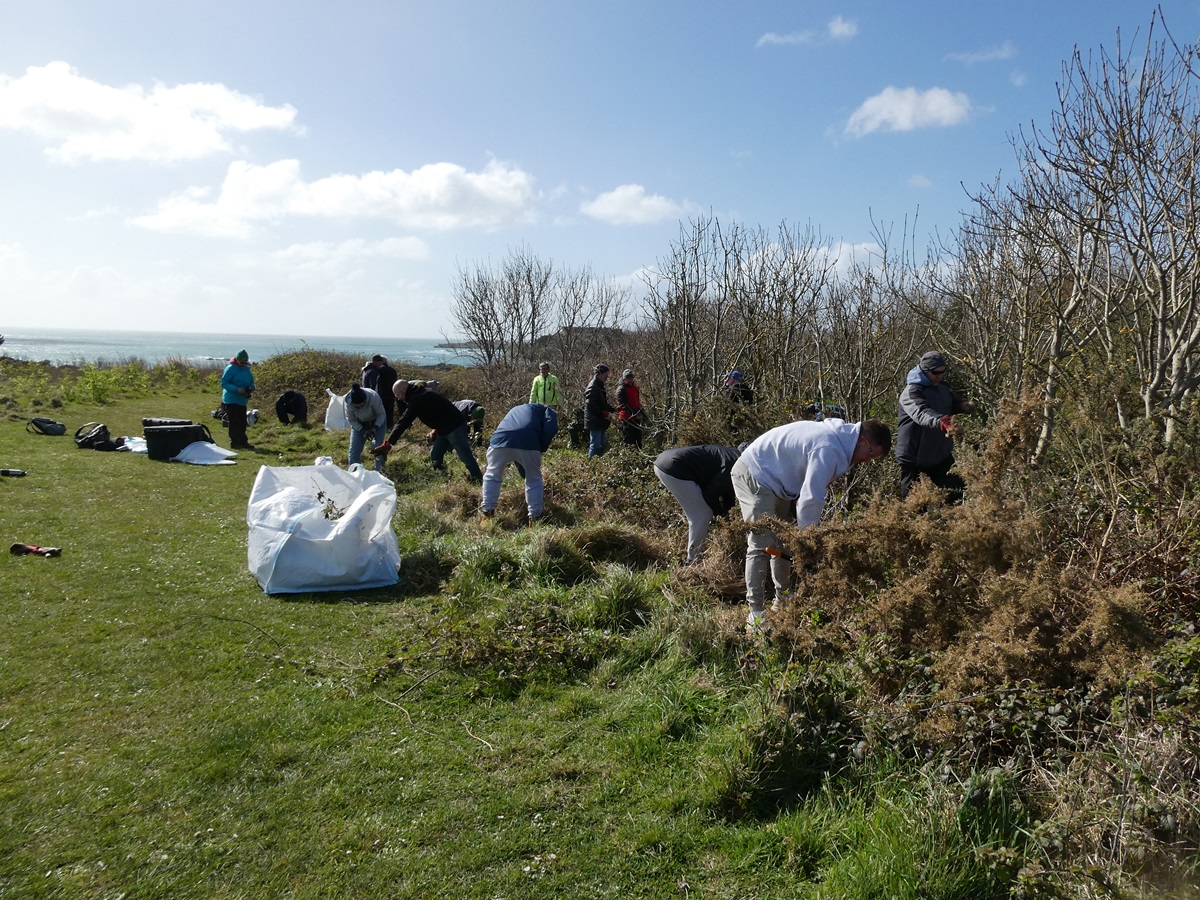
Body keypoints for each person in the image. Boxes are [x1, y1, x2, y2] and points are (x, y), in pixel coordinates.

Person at [732, 417, 892, 633]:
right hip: (755, 472)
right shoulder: (829, 447)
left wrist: (800, 538)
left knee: (782, 545)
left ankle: (783, 603)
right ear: (863, 441)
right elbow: (811, 499)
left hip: (777, 482)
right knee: (762, 544)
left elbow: (809, 488)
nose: (867, 460)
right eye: (871, 454)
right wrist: (808, 540)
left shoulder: (841, 445)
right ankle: (756, 617)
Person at [896, 350, 975, 502]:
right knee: (914, 506)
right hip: (914, 459)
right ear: (924, 371)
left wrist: (962, 405)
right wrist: (943, 422)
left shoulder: (942, 387)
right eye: (935, 372)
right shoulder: (911, 393)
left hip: (940, 455)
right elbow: (922, 413)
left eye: (942, 372)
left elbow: (949, 403)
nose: (940, 376)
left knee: (957, 492)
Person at [653, 442, 746, 565]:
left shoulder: (731, 455)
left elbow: (726, 490)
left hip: (665, 461)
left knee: (699, 512)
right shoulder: (736, 464)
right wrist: (720, 514)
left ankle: (692, 555)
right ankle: (692, 561)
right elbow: (710, 494)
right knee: (702, 514)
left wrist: (728, 515)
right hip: (673, 467)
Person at [376, 381, 483, 482]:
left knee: (465, 455)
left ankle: (478, 479)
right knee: (435, 455)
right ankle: (444, 477)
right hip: (443, 429)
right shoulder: (420, 393)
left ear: (404, 390)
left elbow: (403, 422)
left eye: (398, 395)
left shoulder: (418, 399)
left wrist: (388, 443)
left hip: (455, 427)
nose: (398, 399)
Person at [480, 403, 559, 524]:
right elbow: (551, 427)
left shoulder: (516, 408)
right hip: (528, 441)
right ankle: (534, 518)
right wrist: (541, 446)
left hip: (499, 439)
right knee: (533, 480)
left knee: (492, 475)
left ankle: (487, 513)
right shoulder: (547, 410)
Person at [344, 382, 387, 472]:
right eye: (357, 407)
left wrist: (375, 427)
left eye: (362, 405)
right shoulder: (348, 403)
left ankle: (379, 472)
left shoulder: (373, 397)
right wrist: (362, 430)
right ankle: (353, 473)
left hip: (377, 421)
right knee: (354, 449)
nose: (360, 407)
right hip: (360, 424)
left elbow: (381, 414)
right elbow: (351, 420)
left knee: (377, 448)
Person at [220, 349, 255, 450]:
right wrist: (236, 389)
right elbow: (224, 383)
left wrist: (252, 387)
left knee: (242, 422)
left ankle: (243, 442)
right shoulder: (230, 369)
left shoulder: (246, 369)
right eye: (242, 362)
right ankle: (235, 443)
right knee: (234, 422)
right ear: (237, 360)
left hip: (242, 400)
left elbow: (252, 381)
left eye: (245, 362)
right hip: (231, 399)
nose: (244, 364)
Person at [583, 363, 616, 458]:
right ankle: (591, 465)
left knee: (602, 444)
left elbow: (602, 402)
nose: (607, 376)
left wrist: (612, 409)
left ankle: (598, 464)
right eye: (606, 374)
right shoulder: (593, 387)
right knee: (595, 445)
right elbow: (591, 405)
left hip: (599, 420)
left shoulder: (600, 385)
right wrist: (603, 412)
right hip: (594, 420)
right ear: (600, 374)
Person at [616, 368, 645, 447]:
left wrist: (642, 412)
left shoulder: (635, 389)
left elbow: (637, 402)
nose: (630, 380)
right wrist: (633, 412)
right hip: (626, 419)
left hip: (636, 418)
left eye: (631, 378)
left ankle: (639, 457)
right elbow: (622, 405)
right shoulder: (621, 389)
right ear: (624, 379)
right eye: (628, 378)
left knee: (638, 440)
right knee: (629, 441)